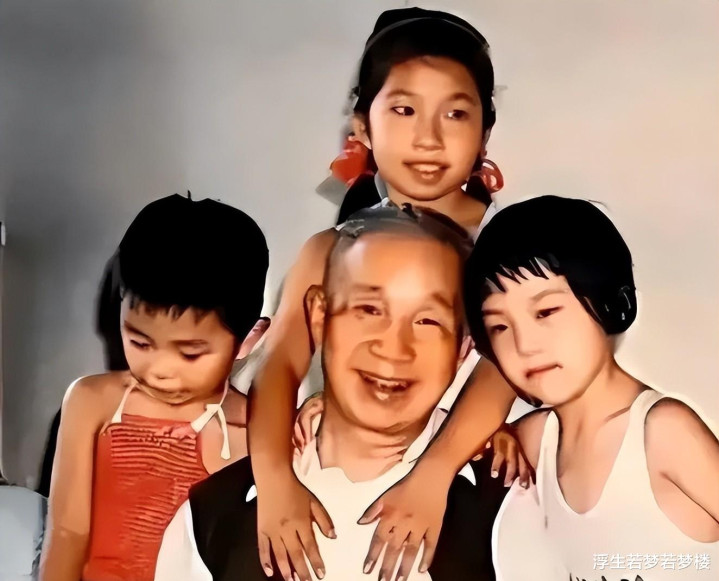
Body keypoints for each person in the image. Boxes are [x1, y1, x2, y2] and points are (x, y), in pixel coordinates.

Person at [248, 9, 525, 581]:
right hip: (347, 474)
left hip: (469, 487)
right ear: (363, 127)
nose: (428, 138)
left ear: (484, 133)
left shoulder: (504, 250)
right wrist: (273, 480)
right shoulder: (329, 248)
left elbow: (501, 370)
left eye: (455, 113)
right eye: (403, 110)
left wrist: (435, 473)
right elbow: (278, 366)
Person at [157, 204, 509, 581]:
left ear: (463, 348)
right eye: (369, 309)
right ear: (319, 317)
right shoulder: (211, 519)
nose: (394, 348)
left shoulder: (512, 504)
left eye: (427, 320)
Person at [463, 195, 719, 580]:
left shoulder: (664, 433)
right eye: (500, 326)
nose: (524, 345)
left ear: (611, 301)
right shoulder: (533, 441)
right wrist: (491, 436)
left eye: (545, 312)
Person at [40, 194, 269, 581]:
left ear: (248, 340)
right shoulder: (92, 402)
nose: (160, 371)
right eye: (140, 342)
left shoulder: (259, 431)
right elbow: (67, 534)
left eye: (190, 354)